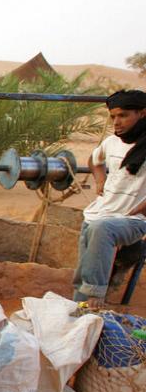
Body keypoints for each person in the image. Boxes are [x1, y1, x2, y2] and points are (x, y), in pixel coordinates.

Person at [73, 89, 146, 307]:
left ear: (142, 114)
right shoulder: (112, 142)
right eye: (113, 116)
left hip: (133, 219)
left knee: (101, 229)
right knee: (83, 268)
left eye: (123, 115)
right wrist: (100, 180)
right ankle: (80, 312)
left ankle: (96, 297)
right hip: (100, 212)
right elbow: (94, 160)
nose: (116, 122)